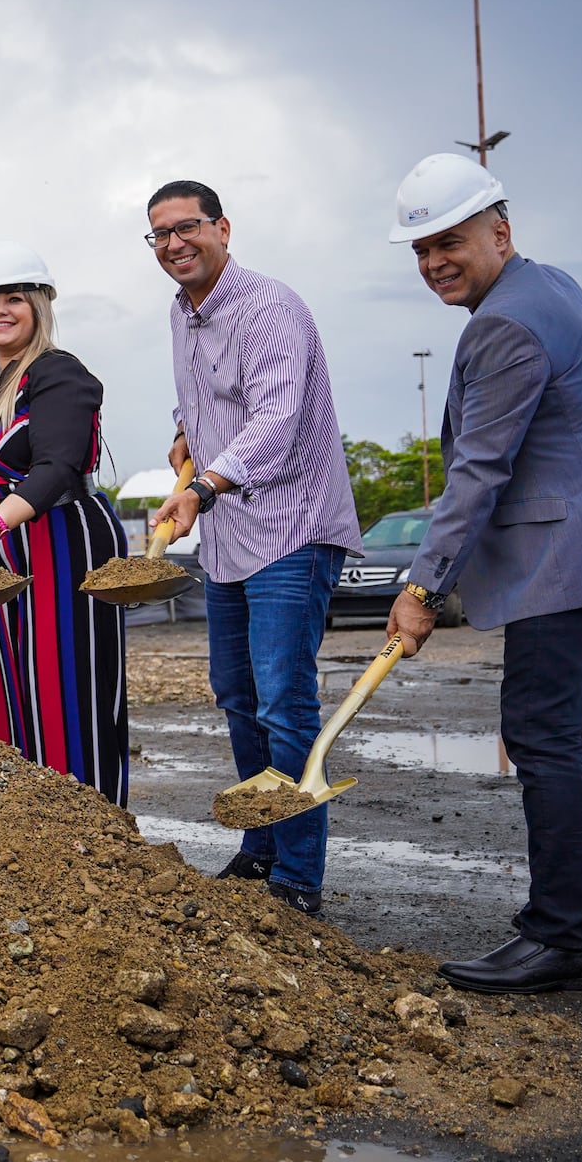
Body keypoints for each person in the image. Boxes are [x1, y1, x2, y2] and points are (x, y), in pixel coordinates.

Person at [382, 155, 582, 992]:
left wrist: (422, 587)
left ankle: (560, 935)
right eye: (421, 248)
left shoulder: (503, 325)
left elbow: (478, 472)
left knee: (542, 734)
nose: (435, 262)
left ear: (499, 232)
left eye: (450, 242)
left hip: (561, 554)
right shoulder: (554, 287)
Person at [145, 181, 362, 917]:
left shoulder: (269, 306)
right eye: (160, 235)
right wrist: (186, 431)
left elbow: (275, 415)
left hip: (292, 528)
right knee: (238, 695)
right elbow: (199, 397)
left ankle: (298, 877)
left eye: (187, 228)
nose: (174, 244)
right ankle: (261, 845)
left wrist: (202, 486)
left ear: (223, 228)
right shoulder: (182, 314)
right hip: (232, 538)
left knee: (283, 702)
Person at [0, 244, 131, 803]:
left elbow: (54, 467)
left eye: (14, 298)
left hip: (64, 540)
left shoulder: (59, 374)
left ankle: (89, 822)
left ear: (39, 305)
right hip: (2, 552)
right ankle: (30, 825)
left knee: (66, 688)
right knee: (12, 688)